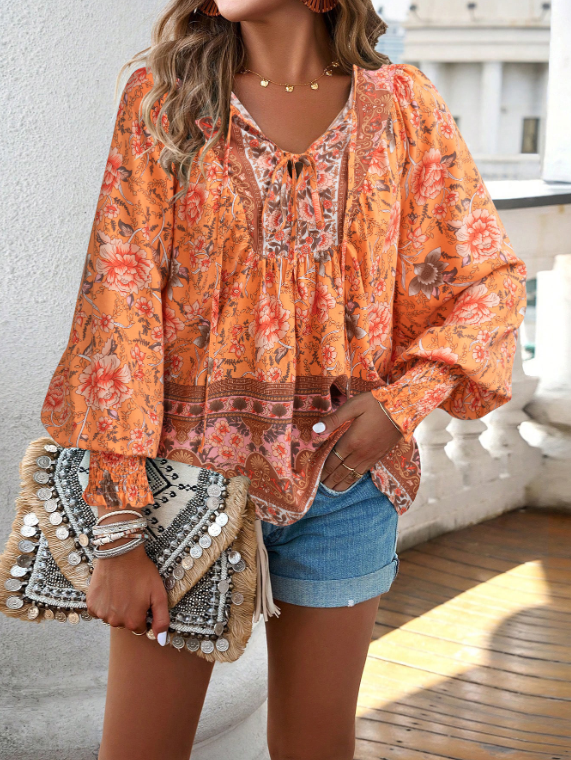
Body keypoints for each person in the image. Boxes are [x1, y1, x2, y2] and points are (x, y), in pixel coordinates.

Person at [40, 0, 526, 758]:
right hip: (181, 487)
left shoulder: (403, 105)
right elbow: (117, 308)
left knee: (316, 746)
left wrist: (402, 403)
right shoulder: (166, 100)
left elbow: (487, 280)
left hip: (347, 484)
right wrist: (119, 530)